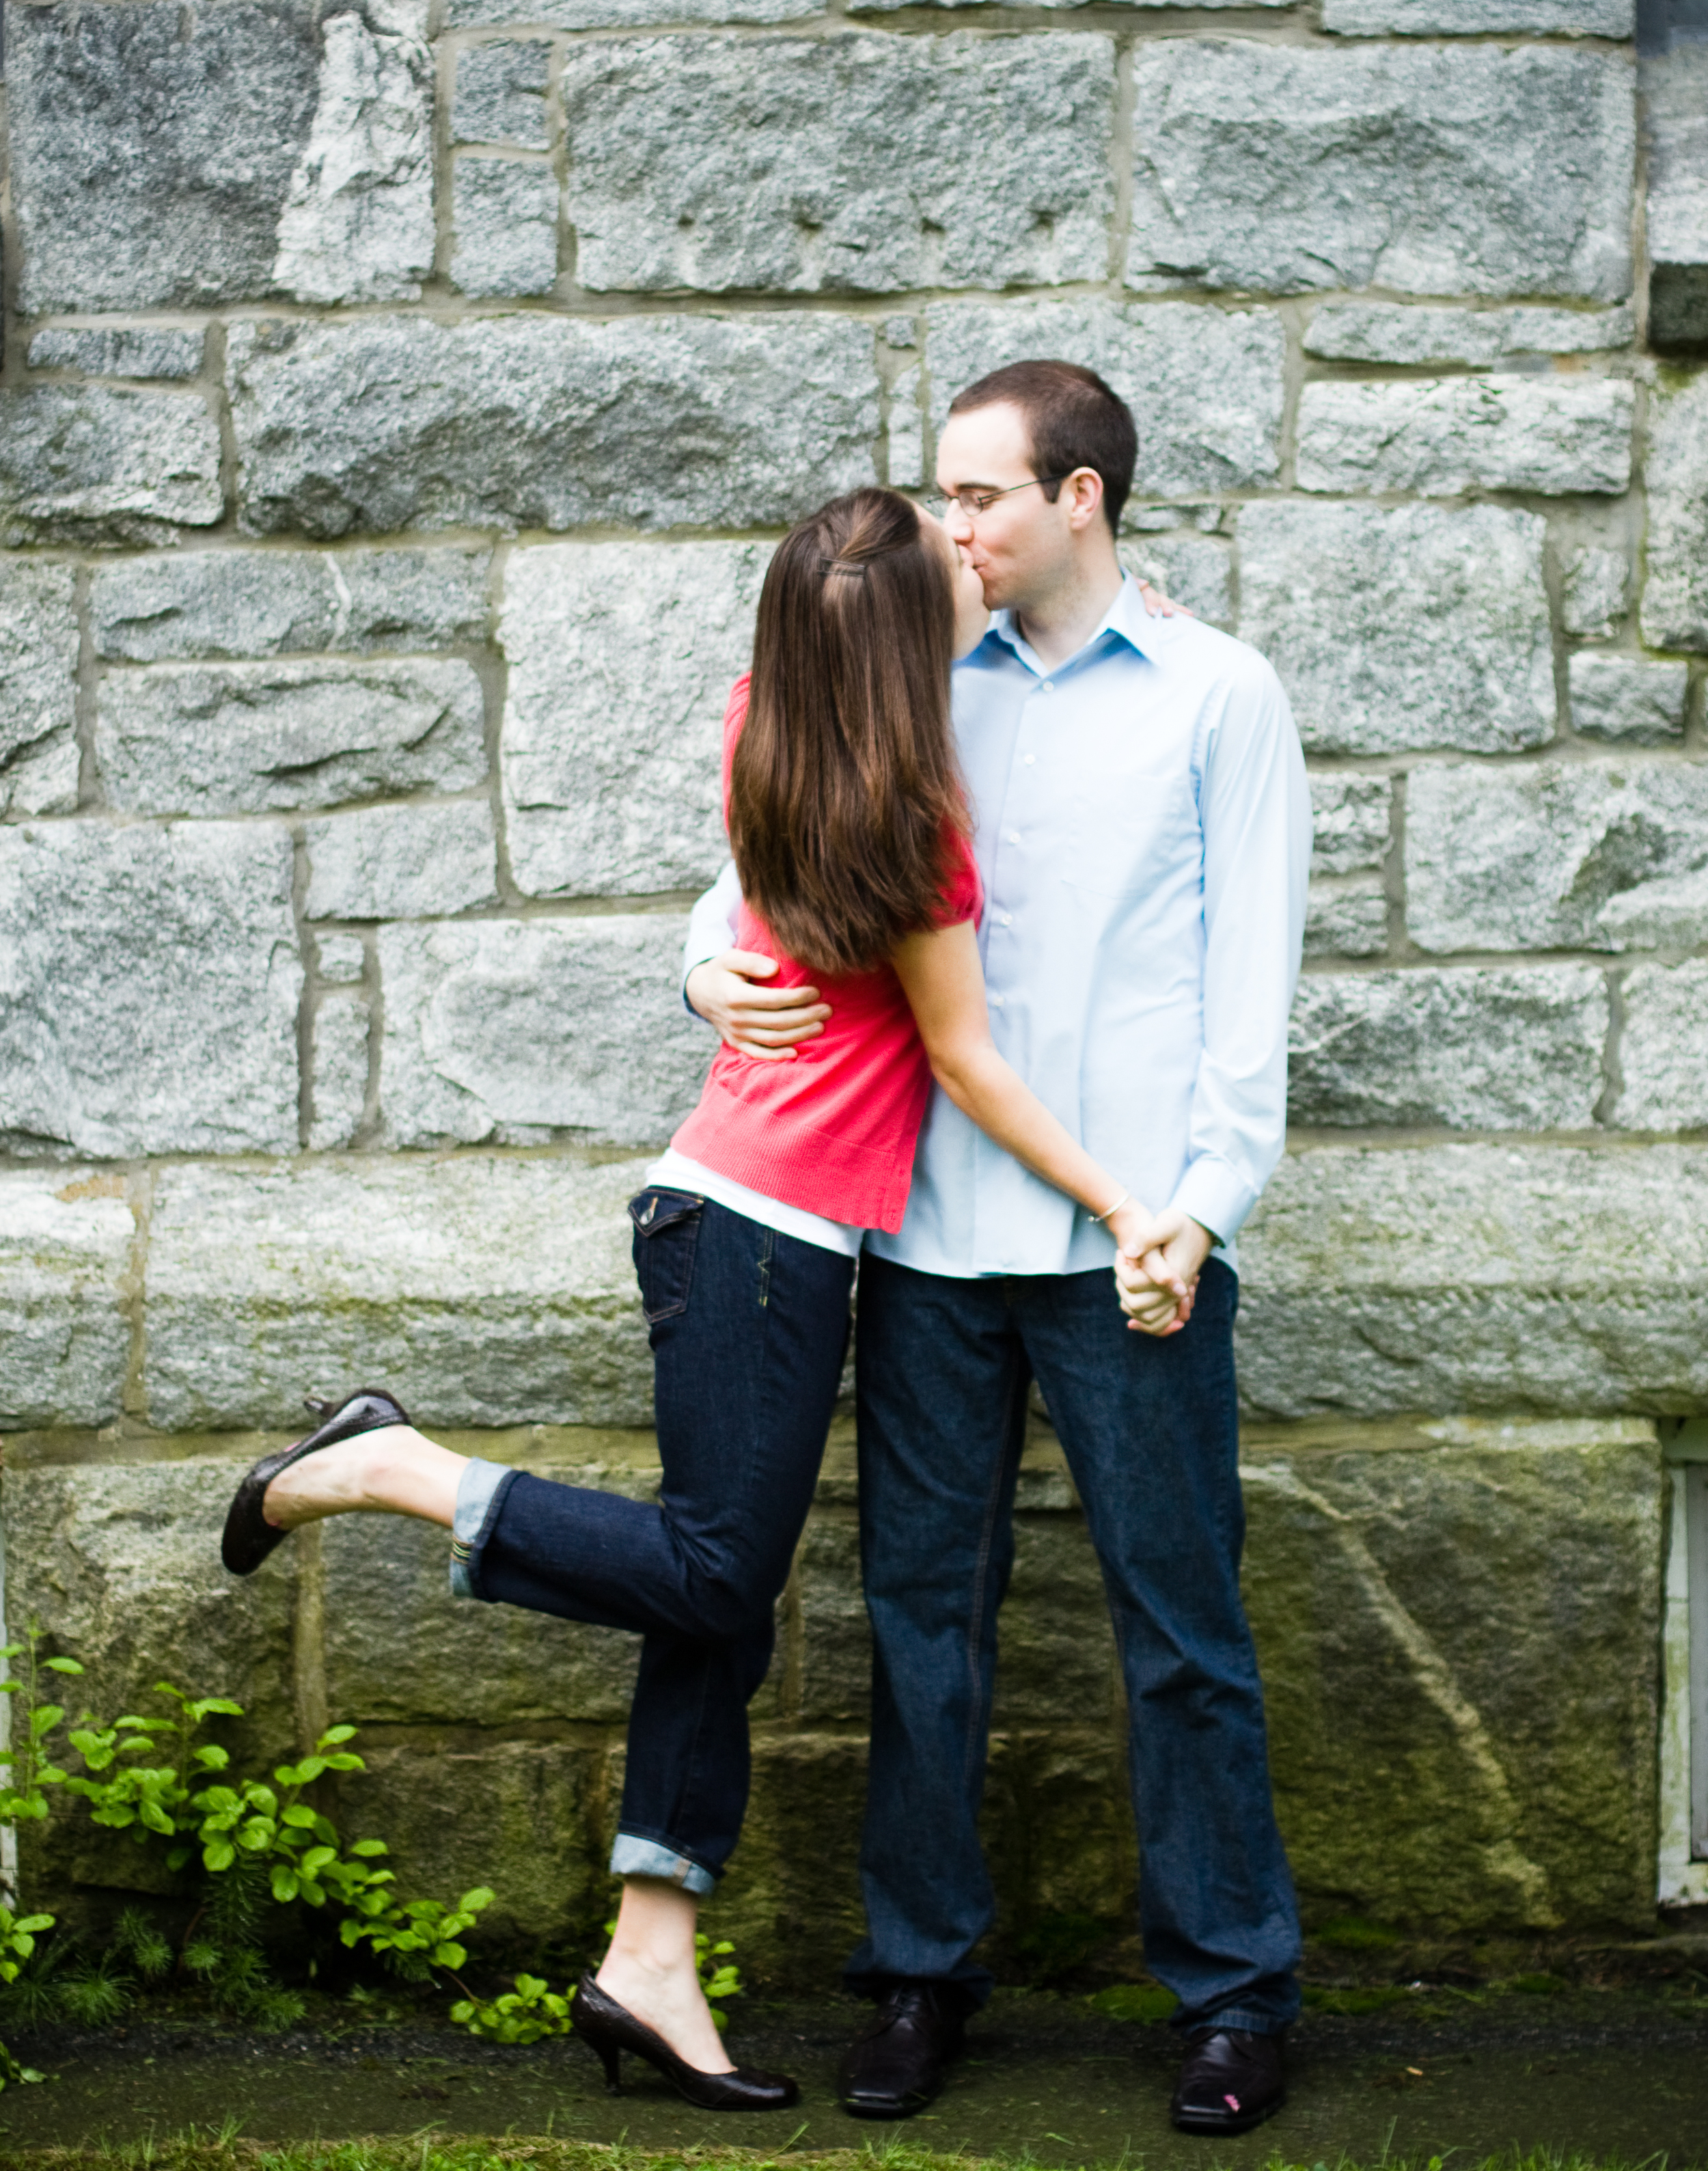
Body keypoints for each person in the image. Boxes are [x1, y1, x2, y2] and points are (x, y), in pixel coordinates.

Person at [219, 484, 1192, 2115]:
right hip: (760, 1233)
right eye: (942, 555)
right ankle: (389, 1467)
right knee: (718, 1563)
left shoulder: (771, 723)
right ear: (898, 653)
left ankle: (648, 1963)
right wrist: (1120, 1205)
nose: (970, 554)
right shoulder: (914, 831)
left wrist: (696, 961)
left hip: (739, 1217)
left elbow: (746, 888)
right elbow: (958, 1055)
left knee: (708, 1605)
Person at [683, 364, 1311, 2139]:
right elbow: (750, 845)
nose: (947, 527)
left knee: (1181, 1627)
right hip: (928, 1237)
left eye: (980, 496)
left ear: (1080, 499)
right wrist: (691, 965)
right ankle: (915, 1973)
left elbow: (1248, 988)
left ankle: (1232, 1992)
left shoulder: (1213, 693)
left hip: (1139, 1246)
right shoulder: (909, 672)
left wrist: (1202, 1200)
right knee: (921, 1624)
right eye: (942, 494)